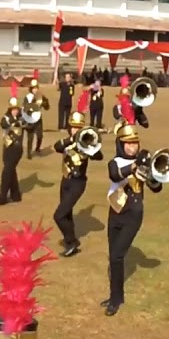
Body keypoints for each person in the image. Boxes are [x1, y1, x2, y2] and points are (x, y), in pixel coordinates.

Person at [103, 124, 164, 316]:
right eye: (128, 144)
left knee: (117, 255)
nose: (133, 147)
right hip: (115, 211)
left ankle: (114, 300)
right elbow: (114, 174)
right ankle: (117, 295)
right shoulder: (116, 162)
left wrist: (151, 173)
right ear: (121, 145)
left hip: (133, 214)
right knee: (114, 257)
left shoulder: (142, 163)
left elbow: (157, 188)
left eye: (135, 143)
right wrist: (135, 166)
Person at [52, 111, 103, 258]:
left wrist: (90, 143)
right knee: (66, 213)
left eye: (78, 127)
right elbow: (57, 147)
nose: (75, 130)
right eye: (73, 127)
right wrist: (71, 139)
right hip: (65, 180)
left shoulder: (85, 143)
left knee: (59, 215)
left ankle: (72, 242)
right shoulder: (67, 141)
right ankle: (71, 243)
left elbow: (99, 156)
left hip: (78, 182)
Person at [0, 96, 25, 206]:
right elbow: (3, 124)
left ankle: (2, 197)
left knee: (6, 172)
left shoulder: (22, 118)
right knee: (11, 171)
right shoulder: (6, 118)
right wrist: (12, 124)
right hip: (7, 148)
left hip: (17, 149)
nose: (15, 111)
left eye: (16, 109)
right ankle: (15, 195)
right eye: (13, 109)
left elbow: (30, 124)